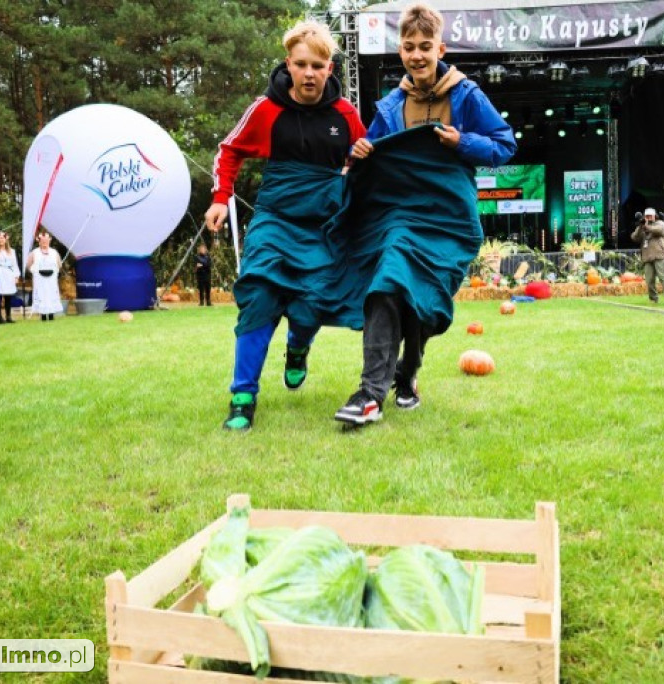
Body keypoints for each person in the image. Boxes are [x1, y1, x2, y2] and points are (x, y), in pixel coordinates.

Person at [334, 2, 516, 426]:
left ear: (441, 47)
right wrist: (357, 151)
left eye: (425, 46)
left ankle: (408, 373)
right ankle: (370, 393)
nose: (417, 54)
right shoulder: (389, 106)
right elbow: (370, 155)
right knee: (387, 284)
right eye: (409, 46)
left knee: (424, 303)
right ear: (400, 50)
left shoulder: (467, 95)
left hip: (450, 217)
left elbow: (504, 145)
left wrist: (463, 142)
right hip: (400, 215)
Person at [205, 20, 367, 432]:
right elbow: (229, 150)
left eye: (318, 65)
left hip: (323, 228)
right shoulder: (265, 109)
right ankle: (243, 396)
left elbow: (368, 164)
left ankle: (298, 348)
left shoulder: (346, 115)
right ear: (288, 65)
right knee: (259, 293)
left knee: (311, 305)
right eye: (301, 64)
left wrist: (363, 155)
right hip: (275, 220)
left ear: (330, 68)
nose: (309, 73)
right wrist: (220, 197)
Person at [631, 208, 664, 305]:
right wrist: (640, 226)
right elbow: (634, 237)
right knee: (649, 280)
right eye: (646, 216)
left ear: (655, 216)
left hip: (659, 255)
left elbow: (660, 231)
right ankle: (653, 299)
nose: (648, 217)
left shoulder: (660, 223)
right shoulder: (642, 226)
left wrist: (647, 227)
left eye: (650, 216)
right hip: (647, 257)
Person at [26, 231, 63, 321]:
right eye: (42, 241)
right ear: (39, 241)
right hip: (40, 279)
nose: (44, 243)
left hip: (51, 279)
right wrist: (33, 271)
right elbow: (29, 265)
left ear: (49, 241)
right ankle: (42, 315)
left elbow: (59, 264)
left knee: (51, 294)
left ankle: (51, 314)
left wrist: (56, 271)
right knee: (41, 295)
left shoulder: (54, 252)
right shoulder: (34, 253)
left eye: (46, 241)